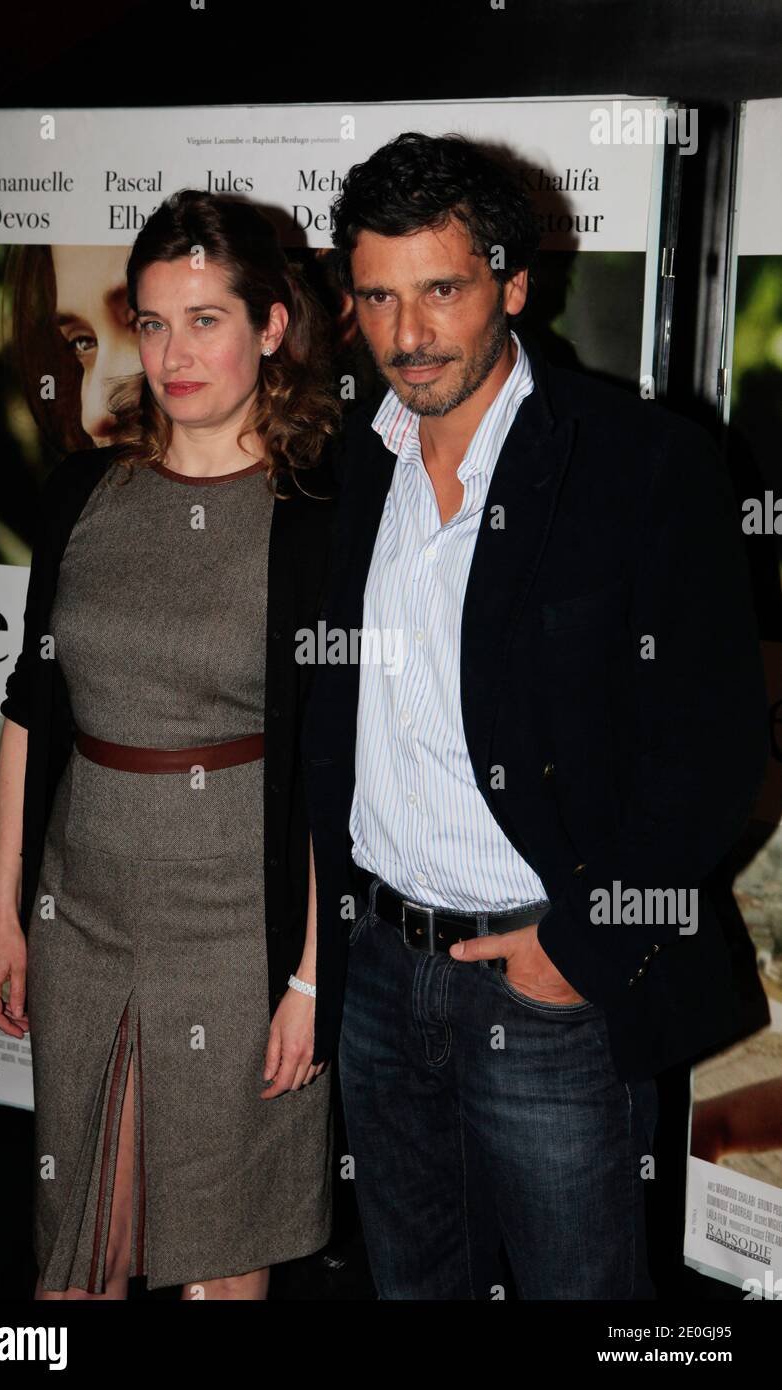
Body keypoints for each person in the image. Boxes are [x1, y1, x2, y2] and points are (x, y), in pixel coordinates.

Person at [300, 132, 770, 1299]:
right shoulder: (349, 464)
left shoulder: (639, 464)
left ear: (511, 283)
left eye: (441, 290)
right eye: (377, 296)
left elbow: (714, 751)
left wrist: (581, 946)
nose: (407, 334)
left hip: (544, 977)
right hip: (379, 971)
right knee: (413, 1288)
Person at [0, 189, 340, 1300]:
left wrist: (313, 977)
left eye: (206, 320)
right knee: (76, 1241)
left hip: (241, 927)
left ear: (271, 326)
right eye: (153, 322)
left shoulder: (319, 512)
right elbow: (32, 709)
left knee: (221, 1257)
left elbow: (335, 767)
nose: (175, 354)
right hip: (80, 912)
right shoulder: (86, 489)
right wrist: (3, 917)